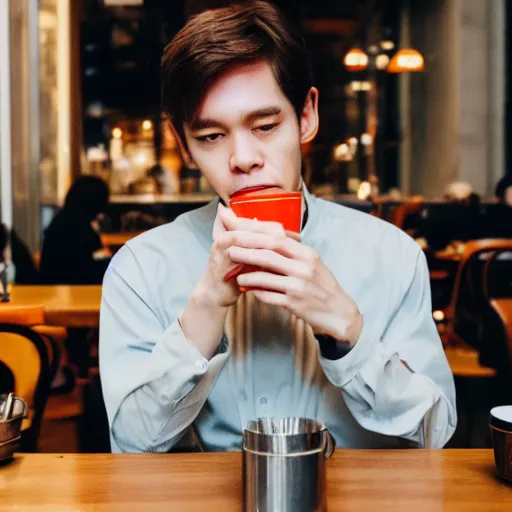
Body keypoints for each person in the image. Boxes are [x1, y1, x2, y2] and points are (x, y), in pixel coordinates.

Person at [100, 1, 456, 453]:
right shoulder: (142, 268)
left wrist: (348, 332)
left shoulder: (392, 255)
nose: (243, 157)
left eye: (266, 125)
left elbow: (436, 433)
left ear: (306, 116)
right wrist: (208, 305)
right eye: (211, 137)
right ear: (184, 146)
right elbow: (130, 446)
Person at [39, 175, 111, 285]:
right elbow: (95, 268)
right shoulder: (82, 229)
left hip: (54, 290)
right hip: (74, 292)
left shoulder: (61, 221)